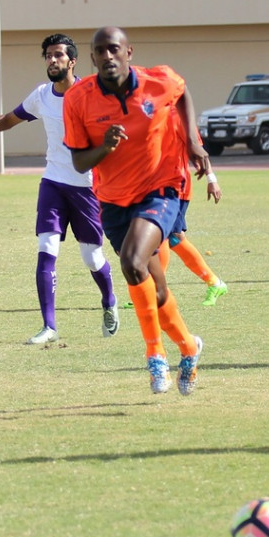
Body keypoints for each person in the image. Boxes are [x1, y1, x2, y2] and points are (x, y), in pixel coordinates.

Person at [63, 26, 205, 395]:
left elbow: (182, 91)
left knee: (130, 260)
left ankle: (155, 354)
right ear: (92, 59)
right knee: (153, 288)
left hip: (162, 188)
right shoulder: (78, 99)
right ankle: (189, 347)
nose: (107, 56)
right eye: (100, 51)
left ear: (129, 52)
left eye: (114, 49)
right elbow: (79, 162)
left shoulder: (159, 80)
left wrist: (191, 140)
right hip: (112, 198)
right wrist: (106, 146)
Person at [0, 33, 119, 346]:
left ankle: (109, 301)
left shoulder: (92, 92)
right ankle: (49, 327)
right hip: (53, 184)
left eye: (58, 55)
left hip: (86, 188)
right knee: (46, 251)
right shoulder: (42, 95)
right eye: (48, 55)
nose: (52, 60)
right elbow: (11, 118)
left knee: (92, 258)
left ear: (72, 61)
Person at [158, 107, 229, 306]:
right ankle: (214, 282)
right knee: (172, 238)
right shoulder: (142, 112)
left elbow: (198, 148)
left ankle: (155, 291)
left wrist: (211, 178)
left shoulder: (176, 115)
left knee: (163, 236)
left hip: (175, 187)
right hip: (153, 187)